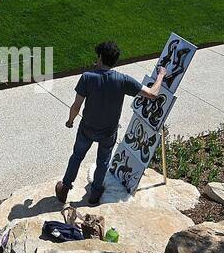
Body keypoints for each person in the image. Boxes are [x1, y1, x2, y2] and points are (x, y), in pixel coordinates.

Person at [55, 41, 168, 206]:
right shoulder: (122, 80)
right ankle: (94, 194)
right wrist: (161, 75)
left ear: (100, 57)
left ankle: (65, 188)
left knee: (77, 156)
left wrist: (70, 121)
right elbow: (152, 93)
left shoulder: (87, 77)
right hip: (108, 132)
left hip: (87, 128)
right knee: (102, 162)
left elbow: (76, 106)